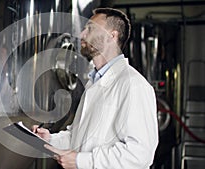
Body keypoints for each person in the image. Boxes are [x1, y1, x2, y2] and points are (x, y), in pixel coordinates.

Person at [32, 7, 158, 169]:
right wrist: (51, 139)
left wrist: (81, 161)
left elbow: (139, 154)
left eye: (90, 28)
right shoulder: (94, 82)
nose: (82, 34)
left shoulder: (133, 84)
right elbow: (79, 137)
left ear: (112, 36)